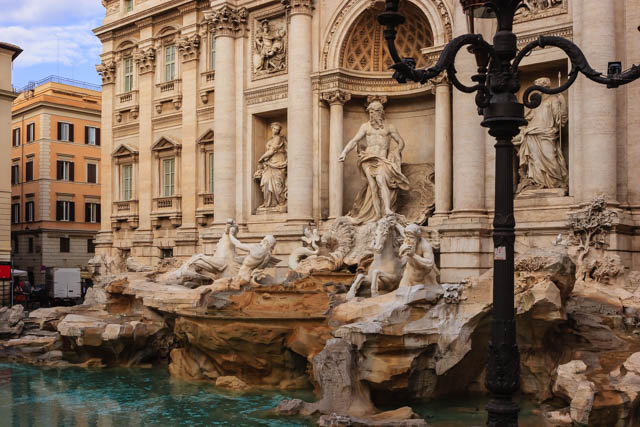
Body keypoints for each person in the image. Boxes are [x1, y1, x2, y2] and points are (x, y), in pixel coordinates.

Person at [339, 101, 410, 223]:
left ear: (381, 112)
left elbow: (401, 141)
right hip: (368, 158)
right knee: (372, 186)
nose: (372, 115)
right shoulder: (365, 126)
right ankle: (377, 214)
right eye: (370, 112)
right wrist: (344, 153)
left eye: (375, 112)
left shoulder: (389, 127)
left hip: (381, 159)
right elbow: (354, 140)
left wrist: (396, 151)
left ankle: (387, 209)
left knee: (381, 180)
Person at [513, 77, 568, 193]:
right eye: (536, 85)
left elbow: (561, 118)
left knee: (550, 157)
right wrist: (521, 131)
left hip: (547, 132)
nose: (537, 88)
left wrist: (561, 99)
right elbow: (526, 118)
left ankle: (555, 183)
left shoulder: (554, 99)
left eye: (540, 85)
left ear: (546, 86)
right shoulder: (533, 101)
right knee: (534, 160)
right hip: (531, 132)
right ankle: (537, 182)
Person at [254, 122, 288, 209]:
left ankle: (280, 202)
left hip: (279, 162)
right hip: (270, 163)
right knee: (266, 182)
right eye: (274, 128)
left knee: (278, 184)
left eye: (277, 129)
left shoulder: (278, 139)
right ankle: (267, 203)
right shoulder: (270, 140)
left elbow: (272, 151)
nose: (276, 130)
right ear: (271, 128)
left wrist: (261, 158)